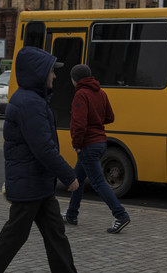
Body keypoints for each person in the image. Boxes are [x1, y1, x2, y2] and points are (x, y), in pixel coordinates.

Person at [0, 46, 79, 273]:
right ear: (39, 73)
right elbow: (43, 148)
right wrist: (68, 175)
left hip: (38, 184)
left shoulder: (32, 100)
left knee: (56, 235)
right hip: (29, 184)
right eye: (52, 71)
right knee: (12, 238)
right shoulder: (29, 103)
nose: (54, 75)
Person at [62, 64, 130, 234]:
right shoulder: (101, 92)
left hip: (87, 144)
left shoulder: (80, 94)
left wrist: (77, 144)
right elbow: (110, 117)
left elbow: (79, 124)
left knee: (98, 182)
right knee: (77, 179)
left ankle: (120, 215)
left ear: (75, 79)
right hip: (100, 142)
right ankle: (71, 214)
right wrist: (96, 120)